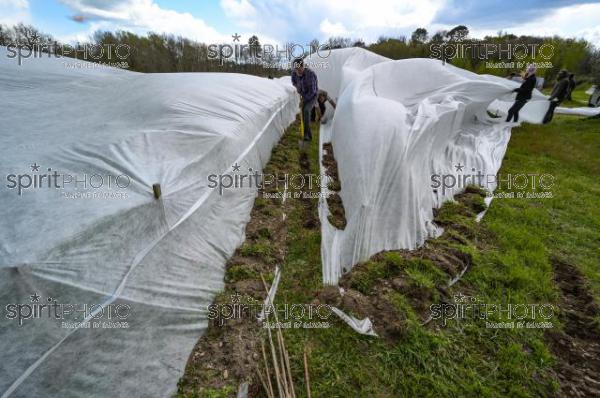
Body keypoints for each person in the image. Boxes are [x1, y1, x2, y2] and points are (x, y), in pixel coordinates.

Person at [291, 58, 318, 141]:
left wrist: (303, 100)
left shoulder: (310, 74)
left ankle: (307, 135)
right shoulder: (294, 73)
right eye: (296, 70)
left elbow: (312, 91)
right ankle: (305, 132)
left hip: (313, 96)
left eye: (299, 70)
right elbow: (293, 82)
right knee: (302, 112)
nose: (298, 72)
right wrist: (298, 88)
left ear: (303, 66)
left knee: (306, 110)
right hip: (303, 94)